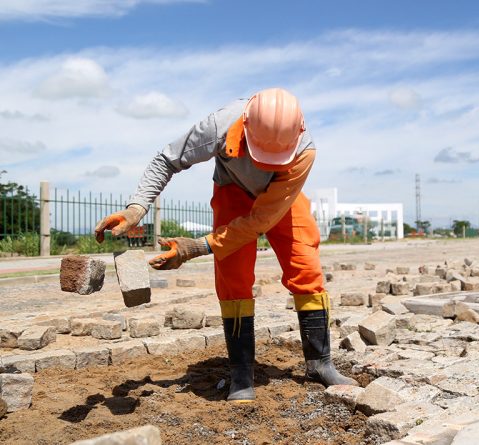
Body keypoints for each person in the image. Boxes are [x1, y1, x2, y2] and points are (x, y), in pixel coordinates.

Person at [94, 88, 358, 403]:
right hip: (232, 191)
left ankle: (320, 363)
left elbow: (260, 221)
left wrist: (196, 247)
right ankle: (242, 374)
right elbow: (167, 159)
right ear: (245, 125)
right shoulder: (219, 126)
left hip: (279, 199)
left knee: (305, 266)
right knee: (233, 278)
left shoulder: (304, 151)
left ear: (297, 133)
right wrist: (137, 207)